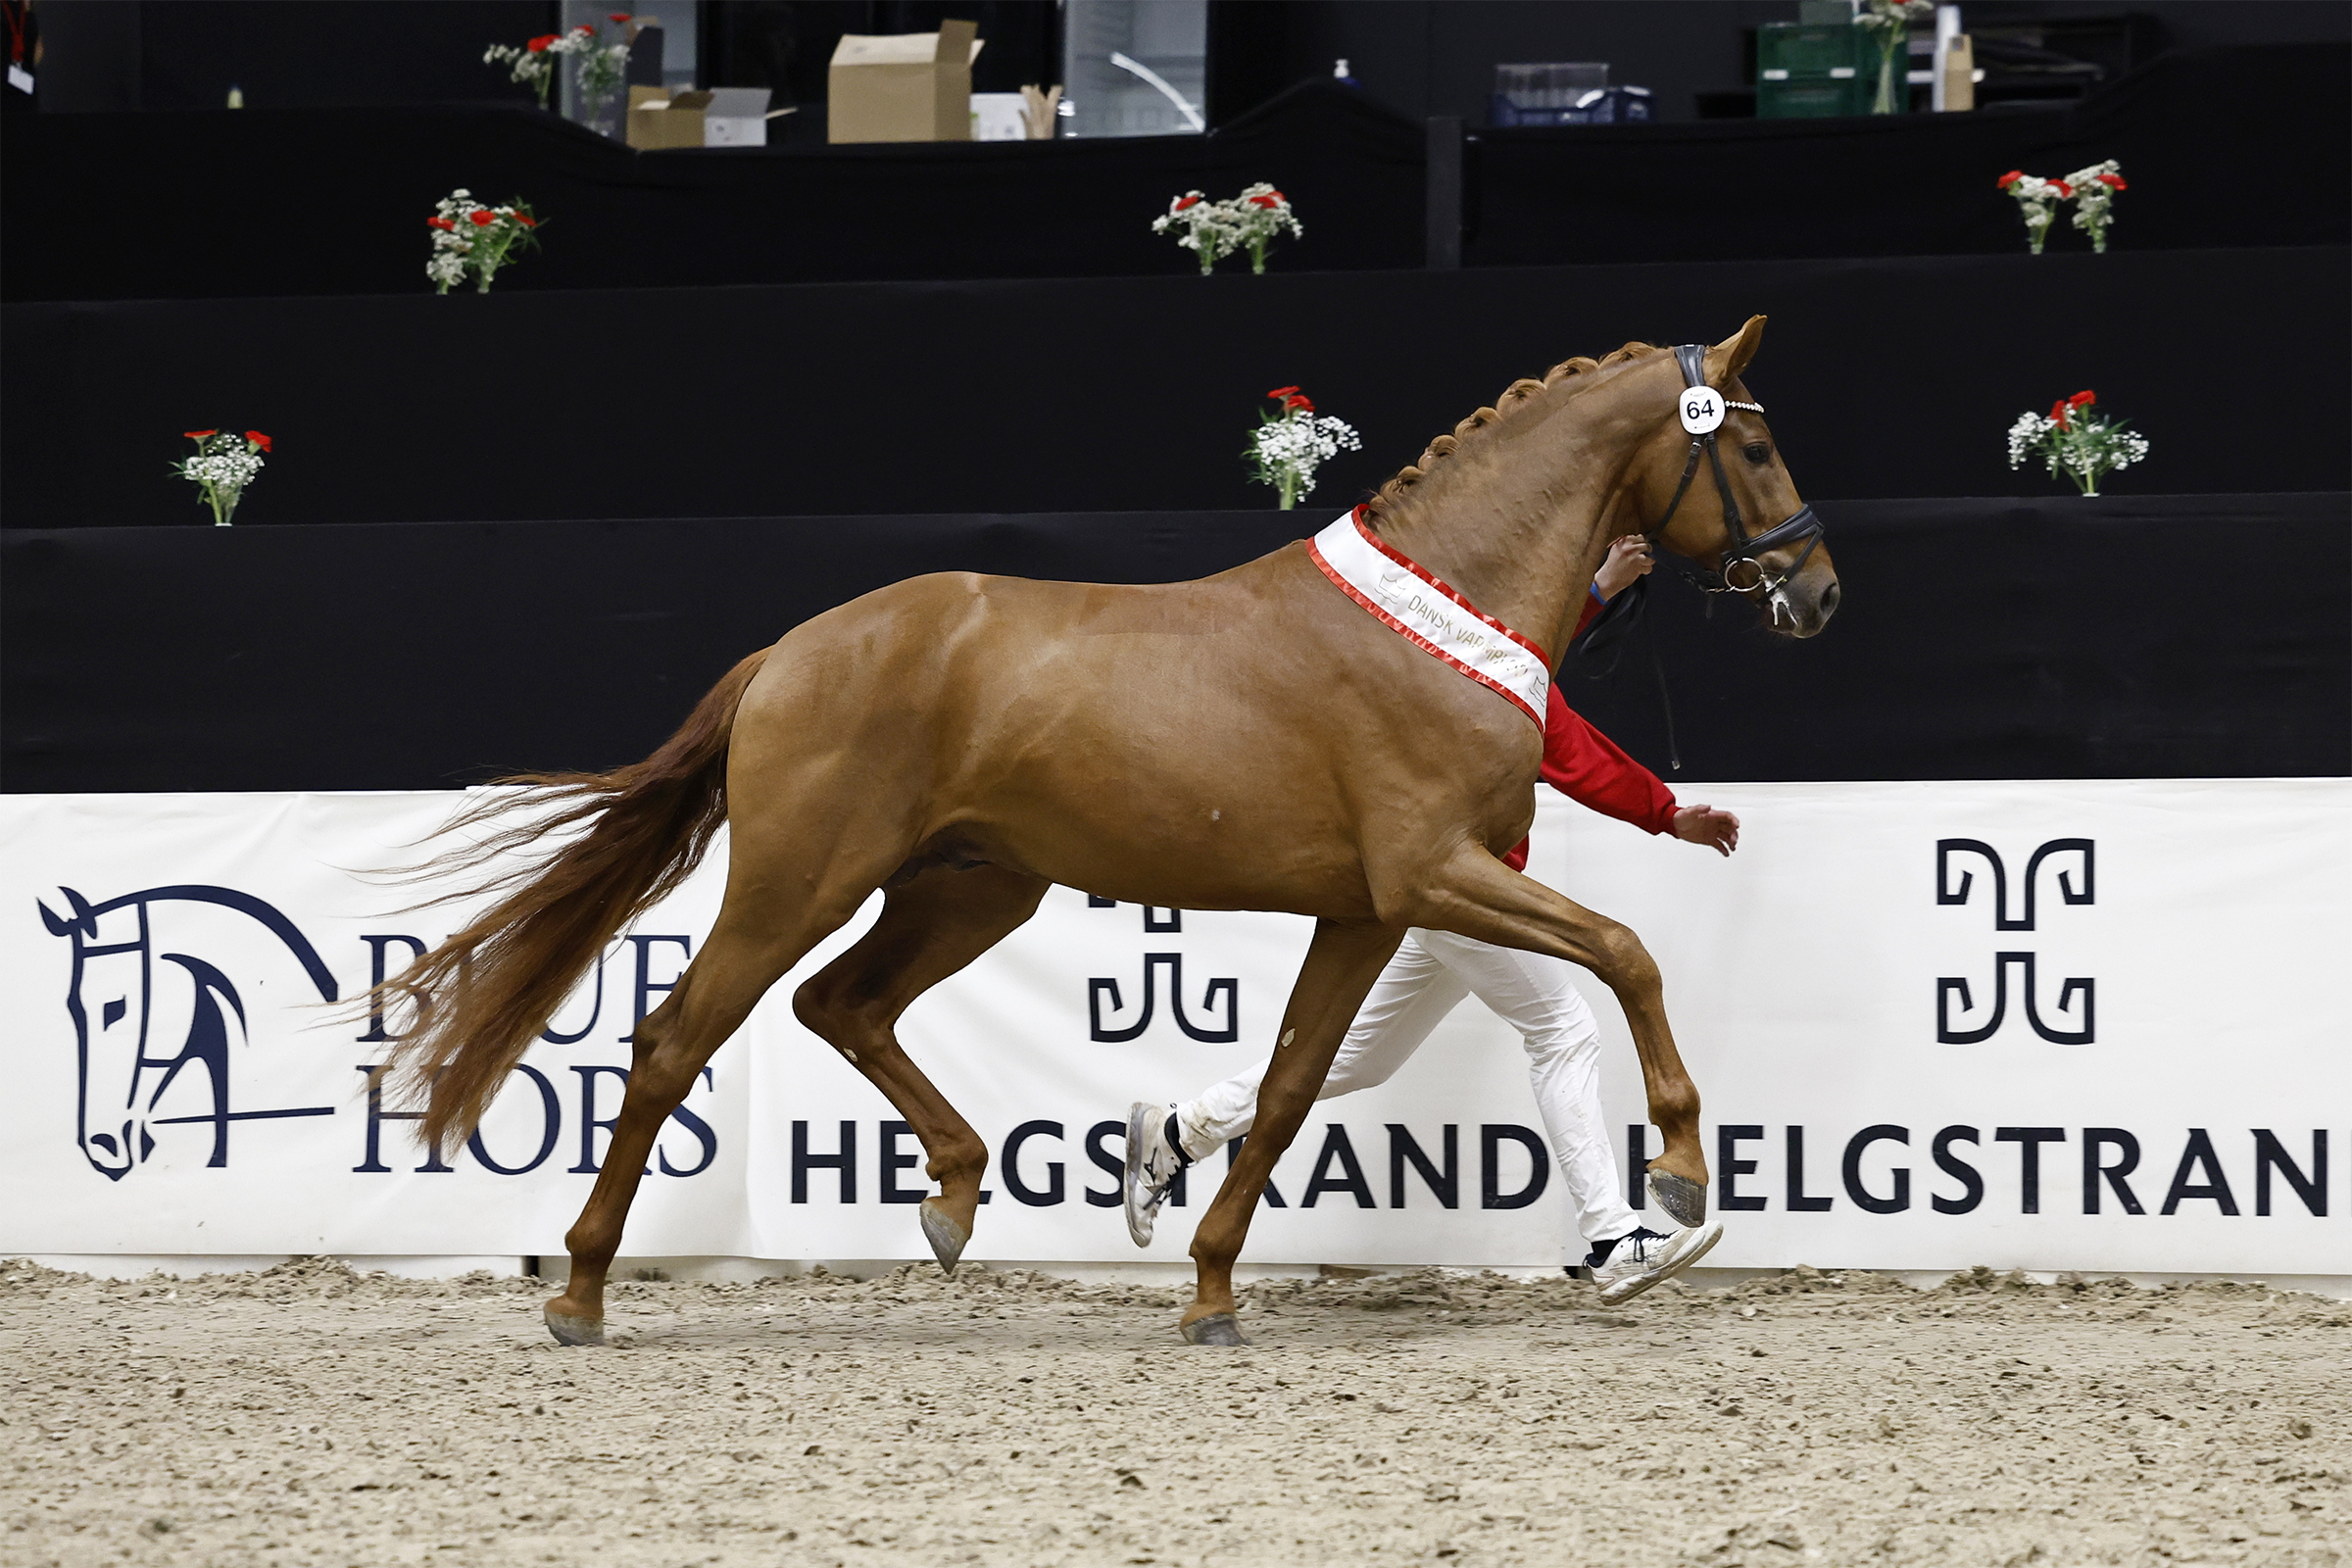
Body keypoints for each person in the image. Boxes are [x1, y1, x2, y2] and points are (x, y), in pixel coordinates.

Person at [1122, 535, 1736, 1304]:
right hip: (1462, 884)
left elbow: (1541, 693)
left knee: (1361, 1059)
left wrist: (1602, 596)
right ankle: (1612, 1237)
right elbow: (1558, 728)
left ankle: (1182, 1129)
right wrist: (1667, 812)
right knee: (1564, 1029)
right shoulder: (1471, 664)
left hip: (1451, 888)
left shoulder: (1481, 655)